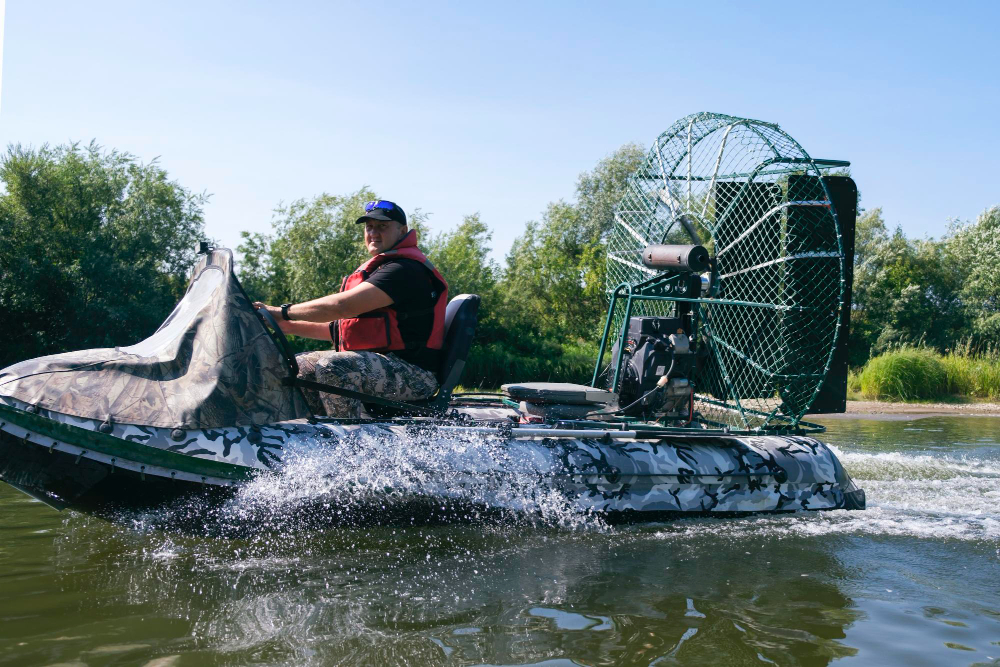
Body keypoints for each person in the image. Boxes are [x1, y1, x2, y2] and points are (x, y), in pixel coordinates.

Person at [254, 200, 448, 418]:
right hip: (382, 364)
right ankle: (319, 433)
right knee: (300, 366)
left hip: (417, 376)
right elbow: (339, 329)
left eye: (382, 226)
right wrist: (284, 326)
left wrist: (281, 311)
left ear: (403, 231)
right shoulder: (385, 268)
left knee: (334, 366)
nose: (373, 232)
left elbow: (341, 307)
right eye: (369, 227)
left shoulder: (404, 270)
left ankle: (352, 443)